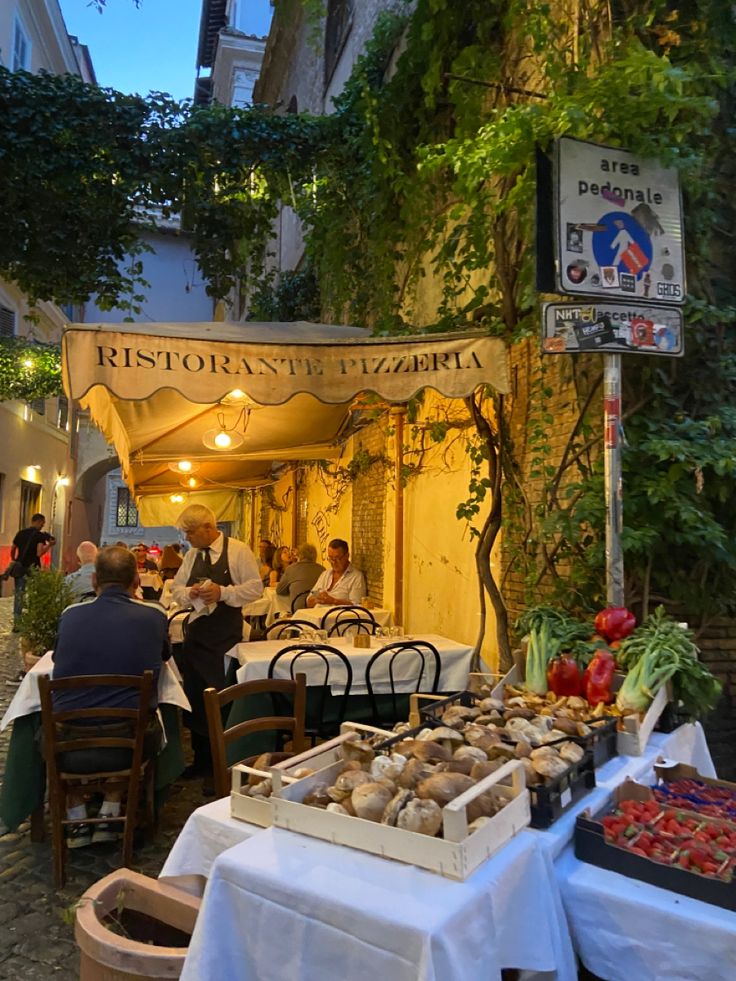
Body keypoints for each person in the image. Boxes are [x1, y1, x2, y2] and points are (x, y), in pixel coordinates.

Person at [52, 546, 170, 848]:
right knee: (136, 715)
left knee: (59, 720)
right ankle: (112, 805)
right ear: (136, 581)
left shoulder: (71, 615)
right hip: (130, 742)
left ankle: (76, 810)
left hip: (68, 745)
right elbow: (165, 654)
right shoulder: (154, 615)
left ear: (94, 581)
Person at [171, 505, 262, 788]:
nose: (187, 538)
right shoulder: (191, 555)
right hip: (197, 635)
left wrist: (224, 592)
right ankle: (201, 761)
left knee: (221, 698)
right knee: (196, 698)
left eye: (190, 532)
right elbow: (175, 590)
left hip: (225, 638)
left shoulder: (237, 551)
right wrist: (192, 593)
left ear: (208, 528)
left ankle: (222, 764)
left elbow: (255, 588)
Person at [10, 513, 55, 631]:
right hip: (33, 569)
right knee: (34, 595)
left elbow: (13, 548)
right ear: (38, 521)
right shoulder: (39, 536)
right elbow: (39, 553)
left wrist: (15, 559)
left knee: (19, 595)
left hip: (20, 568)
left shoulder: (20, 533)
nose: (43, 526)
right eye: (43, 523)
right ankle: (31, 622)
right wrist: (49, 545)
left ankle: (17, 624)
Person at [307, 539, 366, 607]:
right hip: (318, 614)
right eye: (331, 558)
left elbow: (357, 606)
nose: (333, 562)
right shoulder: (325, 575)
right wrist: (318, 598)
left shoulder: (356, 577)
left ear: (347, 556)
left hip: (338, 616)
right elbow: (309, 600)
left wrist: (333, 601)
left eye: (337, 558)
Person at [276, 543, 325, 612]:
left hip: (297, 611)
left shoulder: (291, 569)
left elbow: (280, 590)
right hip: (318, 610)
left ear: (300, 555)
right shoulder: (322, 570)